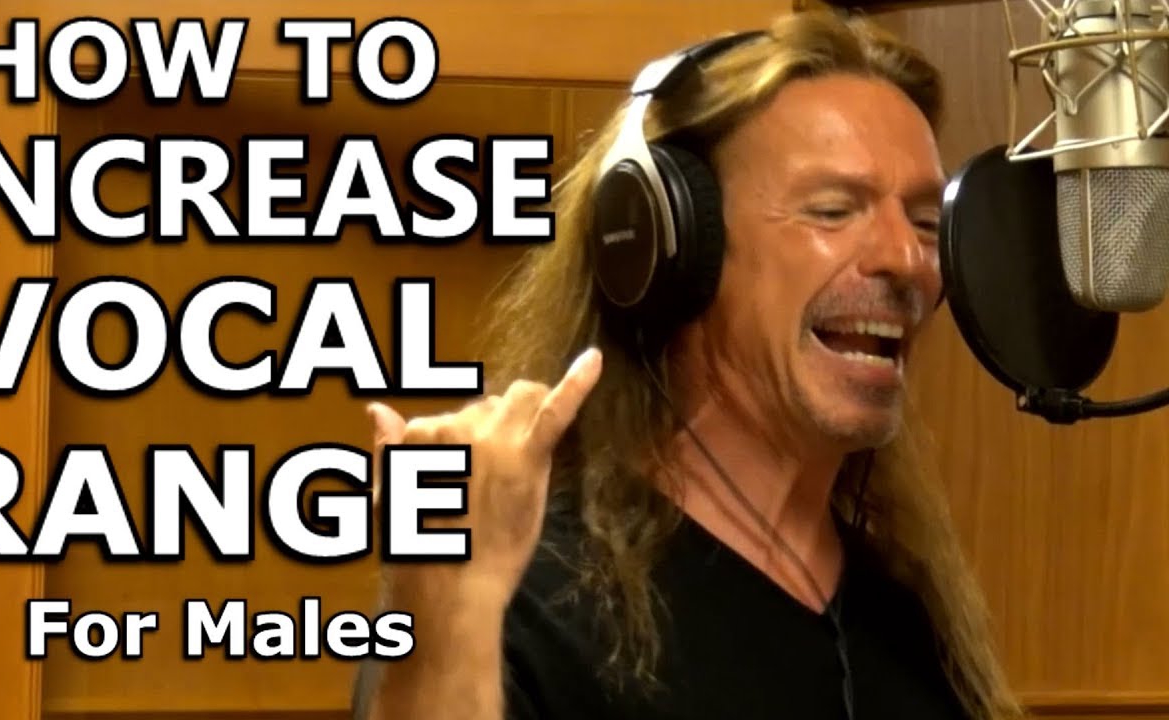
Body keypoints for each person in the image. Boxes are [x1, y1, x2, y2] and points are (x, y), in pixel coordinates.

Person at [353, 9, 1024, 720]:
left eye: (925, 223)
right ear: (670, 248)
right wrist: (446, 622)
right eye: (832, 210)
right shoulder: (514, 606)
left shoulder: (908, 620)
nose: (907, 260)